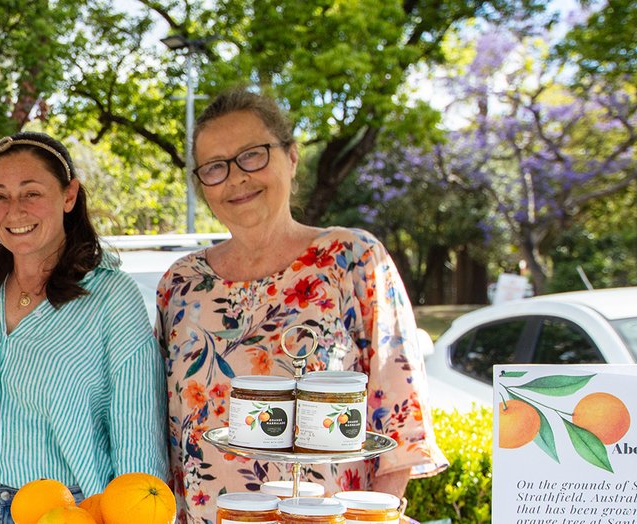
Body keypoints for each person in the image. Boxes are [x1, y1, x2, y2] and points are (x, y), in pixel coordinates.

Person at [158, 87, 448, 523]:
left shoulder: (352, 259)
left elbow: (400, 410)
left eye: (252, 155)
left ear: (291, 156)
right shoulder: (181, 285)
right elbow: (162, 432)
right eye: (215, 168)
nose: (236, 178)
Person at [0, 131, 166, 522]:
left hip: (62, 511)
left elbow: (136, 432)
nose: (14, 211)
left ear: (69, 195)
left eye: (31, 193)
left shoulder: (112, 296)